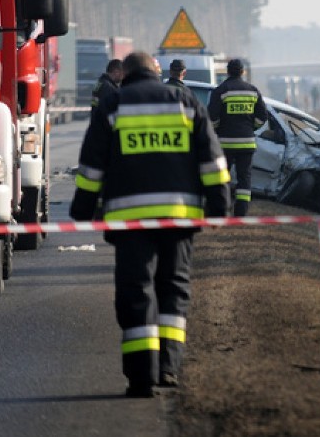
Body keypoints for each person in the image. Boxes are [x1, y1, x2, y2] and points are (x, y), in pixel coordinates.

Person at [70, 51, 230, 398]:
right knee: (173, 289)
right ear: (156, 73)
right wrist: (219, 206)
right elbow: (212, 160)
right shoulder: (185, 101)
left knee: (135, 291)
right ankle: (169, 369)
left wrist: (82, 210)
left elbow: (92, 166)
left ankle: (141, 377)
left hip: (130, 221)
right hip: (179, 215)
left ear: (124, 74)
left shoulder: (112, 105)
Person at [208, 59, 267, 216]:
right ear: (242, 72)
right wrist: (251, 127)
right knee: (244, 178)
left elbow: (212, 117)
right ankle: (241, 212)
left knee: (222, 177)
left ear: (228, 72)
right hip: (247, 143)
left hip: (225, 143)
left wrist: (218, 130)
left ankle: (222, 209)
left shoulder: (221, 90)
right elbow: (263, 116)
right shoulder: (253, 90)